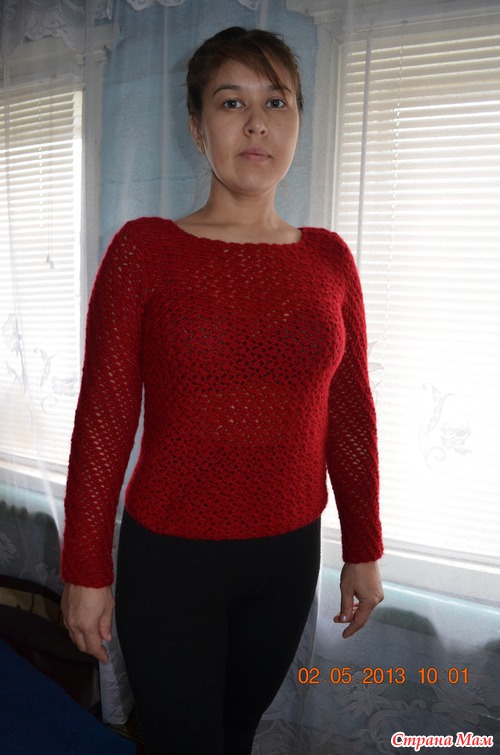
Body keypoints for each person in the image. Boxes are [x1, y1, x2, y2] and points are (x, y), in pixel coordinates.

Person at [61, 26, 384, 755]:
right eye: (231, 102)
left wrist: (363, 545)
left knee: (237, 734)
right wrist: (85, 567)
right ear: (197, 128)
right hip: (173, 559)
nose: (257, 123)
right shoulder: (145, 251)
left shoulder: (329, 259)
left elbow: (350, 412)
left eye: (277, 101)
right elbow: (104, 417)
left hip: (288, 555)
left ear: (298, 122)